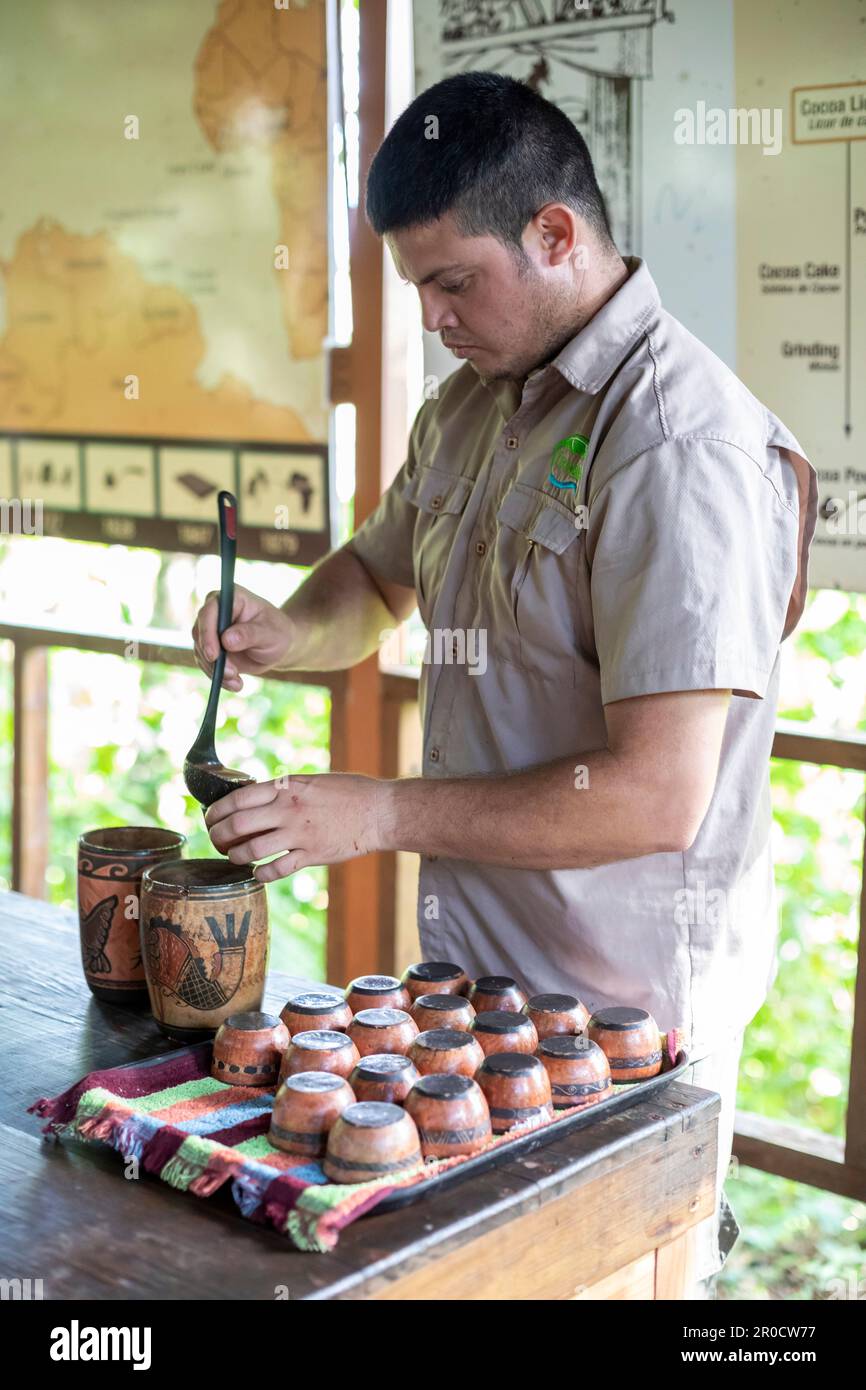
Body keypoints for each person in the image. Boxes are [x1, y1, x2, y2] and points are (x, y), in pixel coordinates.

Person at [193, 72, 816, 1291]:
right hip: (466, 987)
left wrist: (375, 812)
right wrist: (280, 629)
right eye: (414, 286)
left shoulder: (677, 445)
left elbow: (651, 798)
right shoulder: (473, 408)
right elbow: (373, 584)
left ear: (554, 235)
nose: (431, 317)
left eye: (450, 281)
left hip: (621, 1023)